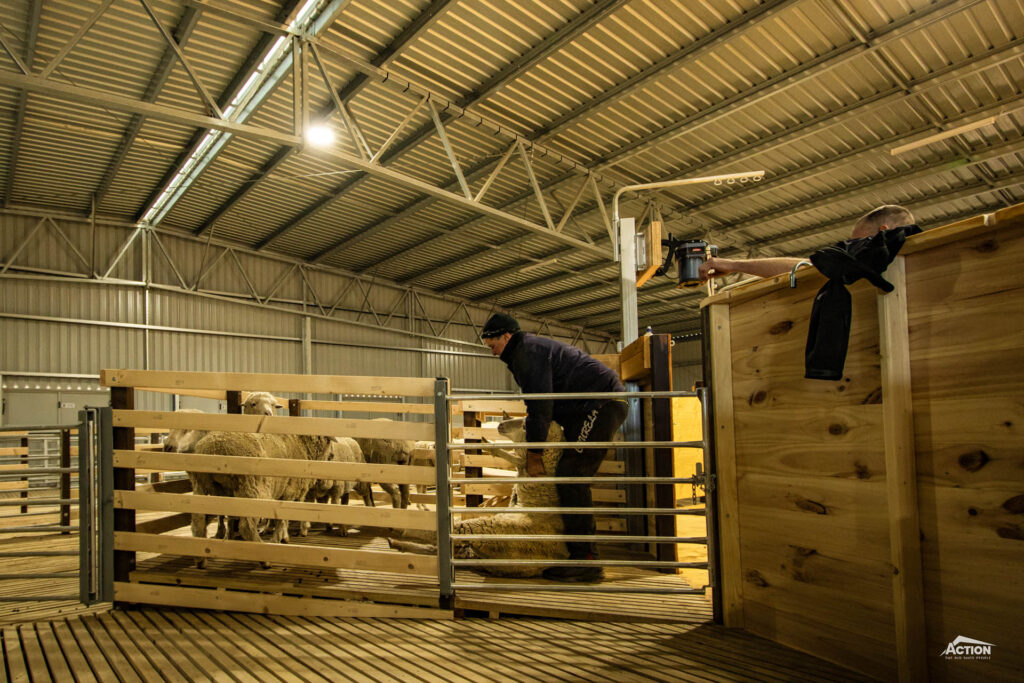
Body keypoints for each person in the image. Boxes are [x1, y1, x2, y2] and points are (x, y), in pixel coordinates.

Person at [481, 313, 628, 582]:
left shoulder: (528, 353)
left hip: (601, 403)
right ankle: (573, 552)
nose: (492, 352)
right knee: (568, 473)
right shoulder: (523, 352)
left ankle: (586, 561)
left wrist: (535, 454)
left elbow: (540, 405)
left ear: (506, 336)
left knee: (571, 475)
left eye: (493, 345)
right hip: (582, 409)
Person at [698, 204, 916, 281]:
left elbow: (807, 269)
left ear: (883, 233)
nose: (852, 249)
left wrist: (734, 265)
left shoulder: (886, 255)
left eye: (857, 242)